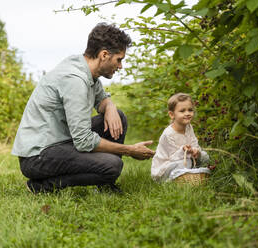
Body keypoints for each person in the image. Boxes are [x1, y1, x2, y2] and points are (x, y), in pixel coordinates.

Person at [12, 23, 155, 194]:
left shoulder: (86, 70)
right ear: (104, 55)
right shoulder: (75, 79)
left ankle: (105, 184)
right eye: (119, 59)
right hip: (37, 156)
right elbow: (83, 140)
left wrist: (109, 106)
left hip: (60, 141)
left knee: (119, 117)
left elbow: (101, 99)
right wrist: (130, 150)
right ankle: (42, 186)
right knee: (113, 165)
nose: (120, 66)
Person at [151, 93, 210, 182]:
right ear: (172, 114)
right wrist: (183, 150)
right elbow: (172, 158)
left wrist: (195, 150)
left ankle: (192, 174)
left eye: (190, 110)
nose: (187, 113)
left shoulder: (189, 127)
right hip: (165, 168)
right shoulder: (168, 134)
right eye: (182, 111)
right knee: (187, 162)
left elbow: (195, 144)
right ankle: (169, 180)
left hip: (185, 160)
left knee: (205, 156)